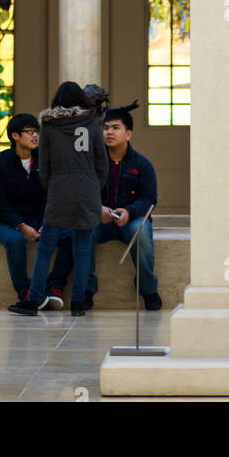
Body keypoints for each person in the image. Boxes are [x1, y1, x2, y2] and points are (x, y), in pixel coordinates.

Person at [8, 83, 107, 316]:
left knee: (45, 248)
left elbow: (44, 166)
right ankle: (78, 302)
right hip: (88, 189)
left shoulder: (50, 127)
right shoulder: (92, 125)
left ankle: (33, 301)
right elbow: (102, 164)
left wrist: (52, 186)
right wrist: (93, 186)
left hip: (59, 190)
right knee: (82, 250)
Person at [0, 113, 74, 308]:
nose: (35, 136)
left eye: (37, 132)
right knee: (15, 240)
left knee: (72, 235)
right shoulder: (0, 162)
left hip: (39, 220)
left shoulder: (44, 161)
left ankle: (54, 286)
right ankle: (25, 291)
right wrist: (20, 225)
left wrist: (46, 222)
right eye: (29, 132)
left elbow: (52, 196)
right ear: (15, 136)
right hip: (4, 221)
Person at [84, 101, 162, 310]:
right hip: (99, 219)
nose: (109, 132)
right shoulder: (92, 162)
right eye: (106, 128)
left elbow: (149, 199)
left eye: (115, 128)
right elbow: (82, 193)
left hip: (130, 220)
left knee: (141, 232)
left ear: (128, 134)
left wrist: (129, 212)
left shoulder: (142, 164)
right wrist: (97, 209)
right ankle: (86, 290)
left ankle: (148, 290)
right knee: (83, 229)